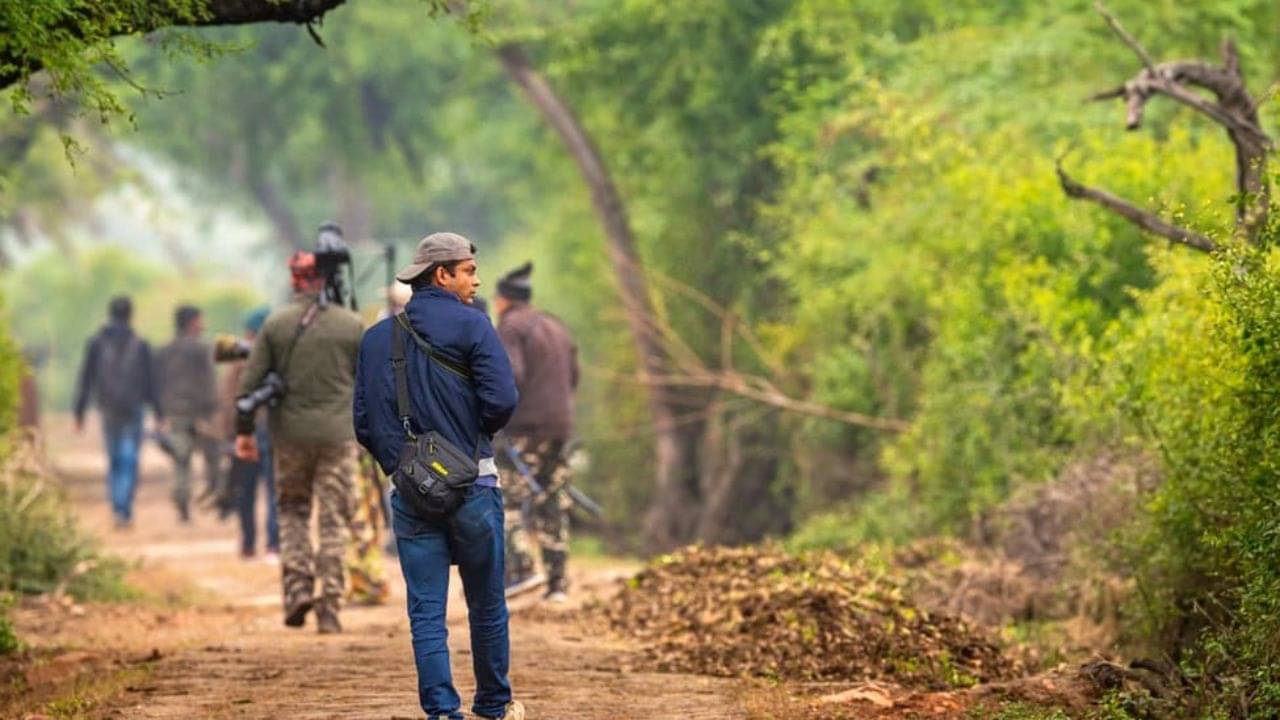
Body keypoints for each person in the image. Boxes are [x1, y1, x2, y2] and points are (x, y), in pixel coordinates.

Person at [354, 232, 524, 720]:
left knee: (426, 611)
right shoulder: (475, 326)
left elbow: (365, 424)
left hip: (411, 494)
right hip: (475, 486)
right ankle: (493, 705)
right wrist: (471, 442)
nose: (476, 278)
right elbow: (503, 400)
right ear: (442, 275)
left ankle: (442, 711)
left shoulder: (374, 339)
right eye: (468, 270)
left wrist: (403, 467)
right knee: (487, 605)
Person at [235, 252, 363, 634]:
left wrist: (244, 434)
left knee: (292, 511)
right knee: (333, 520)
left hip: (289, 437)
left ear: (295, 280)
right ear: (327, 279)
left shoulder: (275, 326)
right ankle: (331, 608)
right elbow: (372, 384)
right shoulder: (352, 325)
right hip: (339, 437)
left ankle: (297, 591)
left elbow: (248, 387)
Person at [493, 262, 580, 602]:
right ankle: (557, 583)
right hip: (560, 428)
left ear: (504, 300)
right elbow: (573, 376)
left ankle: (521, 570)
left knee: (507, 500)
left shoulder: (511, 327)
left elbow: (511, 375)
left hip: (524, 430)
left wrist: (495, 414)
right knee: (553, 501)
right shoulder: (555, 326)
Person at [74, 296, 162, 529]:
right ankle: (124, 507)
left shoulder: (96, 343)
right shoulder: (140, 343)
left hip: (108, 409)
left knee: (114, 460)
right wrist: (159, 412)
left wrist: (79, 411)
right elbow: (151, 382)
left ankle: (118, 506)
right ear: (130, 315)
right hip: (134, 409)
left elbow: (86, 379)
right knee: (130, 458)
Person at [220, 306, 279, 560]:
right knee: (273, 489)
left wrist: (229, 434)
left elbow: (228, 399)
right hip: (274, 431)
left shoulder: (239, 360)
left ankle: (248, 542)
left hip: (246, 431)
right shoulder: (281, 355)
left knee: (246, 490)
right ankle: (273, 544)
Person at [155, 305, 221, 523]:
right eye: (200, 320)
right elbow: (209, 383)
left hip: (175, 413)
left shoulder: (165, 350)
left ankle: (183, 504)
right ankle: (216, 498)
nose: (203, 324)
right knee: (213, 457)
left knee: (181, 462)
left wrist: (160, 413)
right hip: (201, 414)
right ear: (192, 322)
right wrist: (214, 410)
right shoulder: (201, 350)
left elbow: (158, 384)